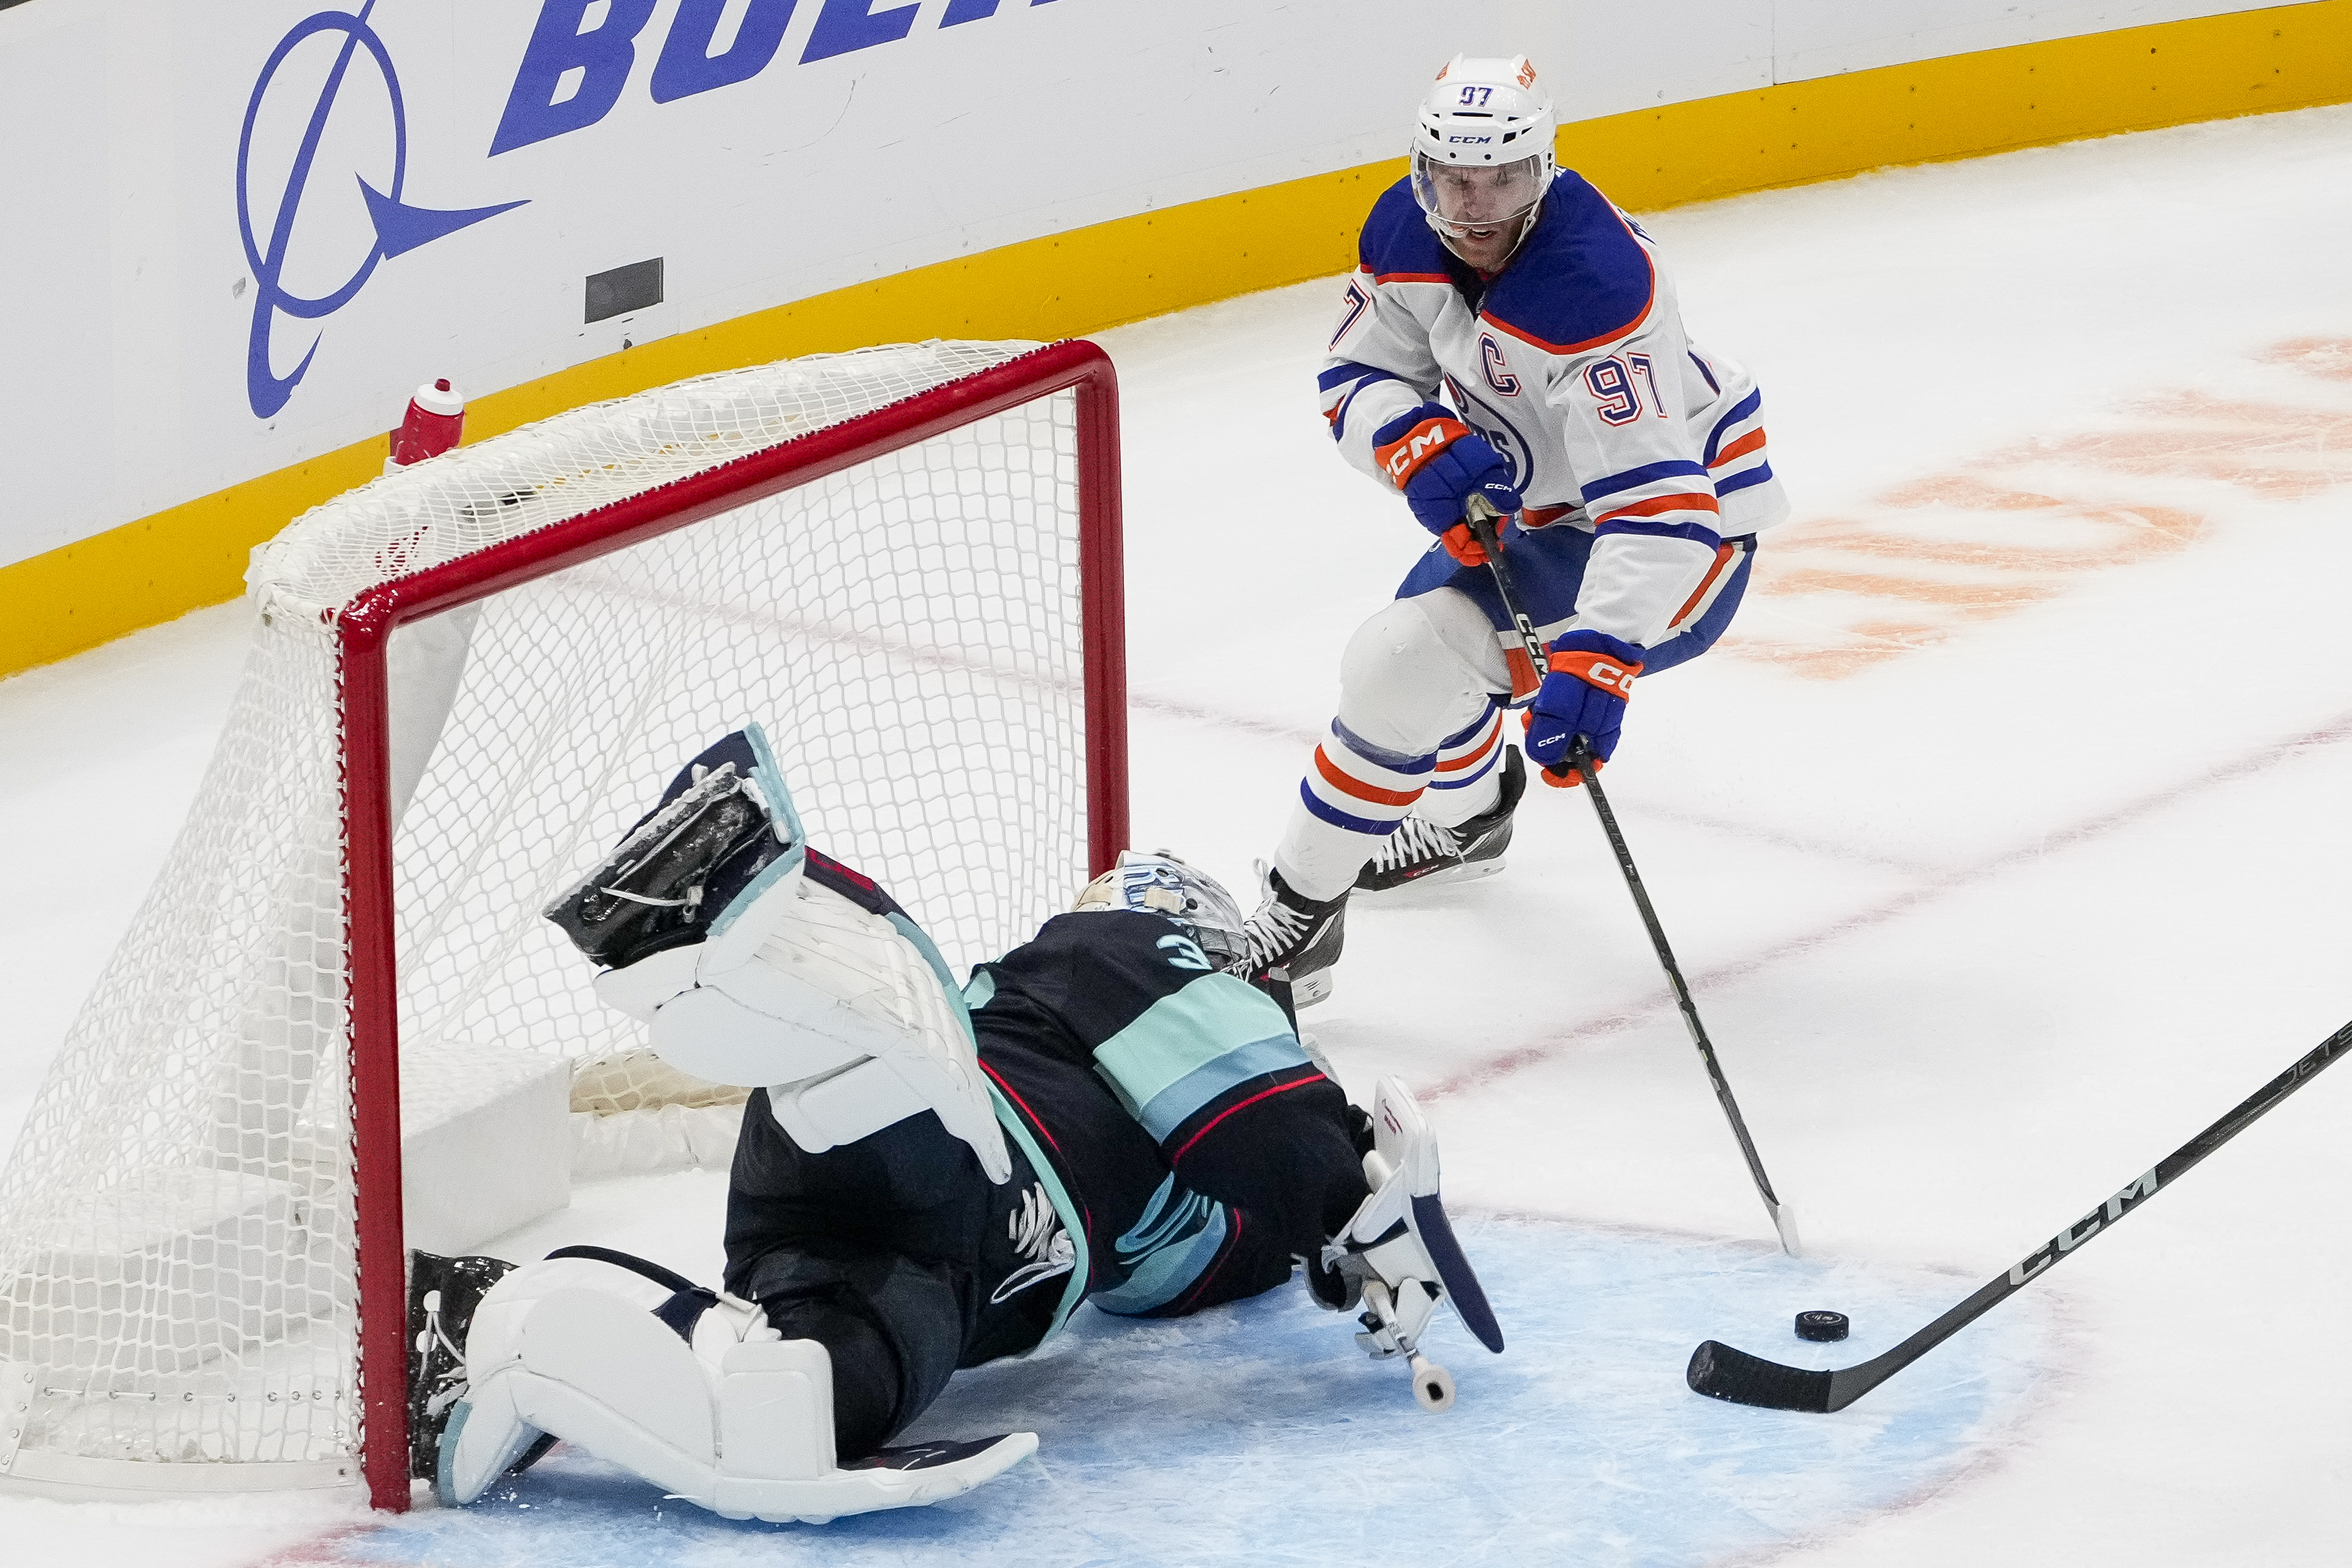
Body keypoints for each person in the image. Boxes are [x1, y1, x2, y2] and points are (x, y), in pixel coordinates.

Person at [409, 723, 1498, 1524]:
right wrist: (1357, 1199)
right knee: (895, 1072)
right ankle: (734, 911)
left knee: (801, 1403)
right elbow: (1268, 1130)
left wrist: (1329, 1252)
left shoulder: (1187, 1186)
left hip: (928, 1270)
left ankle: (492, 1325)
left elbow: (1209, 1256)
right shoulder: (1113, 953)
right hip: (942, 1139)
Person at [1239, 54, 1791, 1005]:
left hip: (1681, 533)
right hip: (1540, 507)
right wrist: (1405, 438)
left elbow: (1660, 510)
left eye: (1505, 178)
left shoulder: (1594, 289)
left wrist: (1602, 655)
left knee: (1402, 665)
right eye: (1458, 178)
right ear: (1422, 171)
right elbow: (1357, 377)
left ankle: (1293, 930)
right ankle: (1470, 820)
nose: (1480, 205)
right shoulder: (1403, 231)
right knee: (1419, 636)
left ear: (1545, 170)